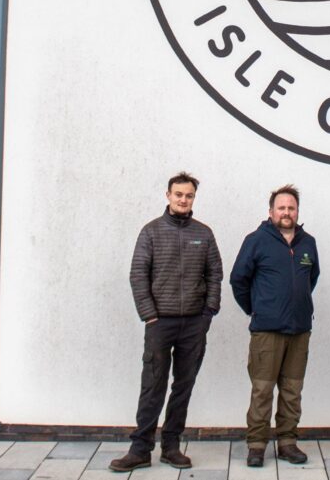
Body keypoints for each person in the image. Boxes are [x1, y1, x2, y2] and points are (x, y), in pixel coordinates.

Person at [110, 172, 223, 472]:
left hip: (194, 325)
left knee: (183, 386)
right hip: (160, 323)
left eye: (189, 196)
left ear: (193, 198)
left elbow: (215, 274)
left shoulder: (204, 233)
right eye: (178, 194)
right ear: (168, 195)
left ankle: (171, 446)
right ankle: (140, 448)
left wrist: (208, 312)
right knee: (153, 385)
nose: (183, 200)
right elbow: (138, 275)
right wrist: (149, 315)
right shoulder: (151, 231)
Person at [230, 185, 320, 468]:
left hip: (299, 330)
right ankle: (256, 445)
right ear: (271, 212)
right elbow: (238, 280)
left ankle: (287, 443)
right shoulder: (256, 240)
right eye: (281, 208)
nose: (286, 212)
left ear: (297, 212)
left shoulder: (308, 243)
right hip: (267, 331)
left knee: (292, 391)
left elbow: (311, 278)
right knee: (262, 390)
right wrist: (256, 308)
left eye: (291, 208)